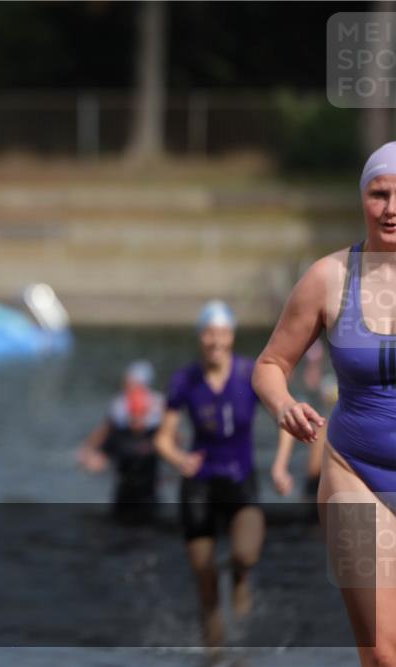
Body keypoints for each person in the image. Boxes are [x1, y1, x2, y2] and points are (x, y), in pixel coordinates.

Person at [252, 141, 396, 667]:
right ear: (362, 198)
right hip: (353, 472)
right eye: (379, 194)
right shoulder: (330, 277)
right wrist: (284, 405)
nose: (390, 208)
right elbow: (269, 366)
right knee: (384, 654)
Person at [154, 300, 269, 647]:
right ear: (200, 337)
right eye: (208, 333)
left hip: (239, 479)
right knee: (205, 586)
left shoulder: (250, 373)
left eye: (222, 333)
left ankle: (238, 574)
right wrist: (179, 459)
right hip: (199, 484)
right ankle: (215, 656)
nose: (215, 341)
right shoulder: (185, 379)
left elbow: (283, 410)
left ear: (232, 336)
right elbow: (162, 438)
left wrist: (281, 464)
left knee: (246, 554)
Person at [77, 360, 164, 521]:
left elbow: (173, 442)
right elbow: (104, 437)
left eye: (140, 414)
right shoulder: (119, 429)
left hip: (149, 493)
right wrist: (90, 454)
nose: (136, 419)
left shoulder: (156, 427)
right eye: (133, 414)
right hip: (124, 492)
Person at [269, 339, 337, 501]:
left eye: (316, 364)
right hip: (308, 475)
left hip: (324, 471)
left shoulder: (329, 387)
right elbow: (288, 427)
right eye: (308, 365)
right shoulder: (296, 393)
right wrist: (280, 466)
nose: (312, 371)